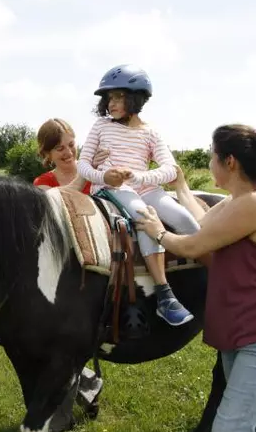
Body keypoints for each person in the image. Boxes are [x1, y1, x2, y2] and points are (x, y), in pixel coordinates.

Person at [134, 124, 256, 432]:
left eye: (212, 156)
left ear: (230, 162)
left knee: (229, 431)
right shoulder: (236, 202)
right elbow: (202, 221)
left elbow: (194, 245)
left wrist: (157, 231)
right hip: (242, 330)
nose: (209, 162)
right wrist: (182, 186)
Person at [76, 64, 200, 327]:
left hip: (146, 187)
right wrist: (104, 177)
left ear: (136, 98)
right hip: (113, 189)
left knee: (186, 220)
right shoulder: (101, 126)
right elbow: (83, 165)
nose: (112, 103)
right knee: (145, 220)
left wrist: (141, 177)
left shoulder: (151, 132)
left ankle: (210, 277)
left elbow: (170, 169)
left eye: (119, 97)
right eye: (109, 98)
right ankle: (165, 298)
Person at [32, 117, 109, 409]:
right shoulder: (43, 184)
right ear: (47, 154)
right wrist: (89, 174)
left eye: (71, 144)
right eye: (58, 148)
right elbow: (60, 208)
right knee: (61, 334)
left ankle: (83, 387)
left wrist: (101, 171)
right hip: (67, 267)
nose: (67, 152)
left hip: (103, 262)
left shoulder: (93, 173)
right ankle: (85, 386)